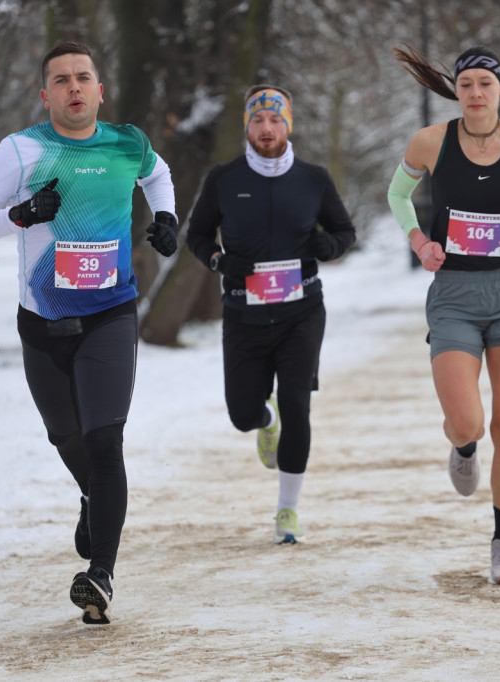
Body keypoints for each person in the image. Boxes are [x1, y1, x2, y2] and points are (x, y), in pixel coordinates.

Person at [0, 42, 179, 625]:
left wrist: (168, 217)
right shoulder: (22, 150)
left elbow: (159, 175)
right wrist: (20, 215)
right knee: (68, 440)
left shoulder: (129, 142)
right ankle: (92, 499)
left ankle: (99, 574)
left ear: (100, 91)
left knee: (105, 442)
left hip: (111, 315)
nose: (74, 88)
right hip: (44, 325)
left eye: (84, 78)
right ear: (45, 94)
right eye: (61, 80)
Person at [387, 45, 500, 584]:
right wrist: (420, 242)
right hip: (455, 296)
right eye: (466, 84)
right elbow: (398, 197)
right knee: (469, 422)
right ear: (456, 90)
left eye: (485, 85)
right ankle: (463, 446)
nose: (475, 94)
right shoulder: (430, 142)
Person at [186, 84, 356, 545]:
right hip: (244, 314)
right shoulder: (224, 179)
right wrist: (220, 261)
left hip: (302, 312)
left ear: (288, 125)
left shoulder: (313, 179)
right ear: (248, 125)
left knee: (298, 406)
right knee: (242, 414)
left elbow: (344, 230)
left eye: (275, 120)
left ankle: (288, 509)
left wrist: (331, 245)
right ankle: (265, 422)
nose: (267, 129)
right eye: (258, 120)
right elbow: (197, 235)